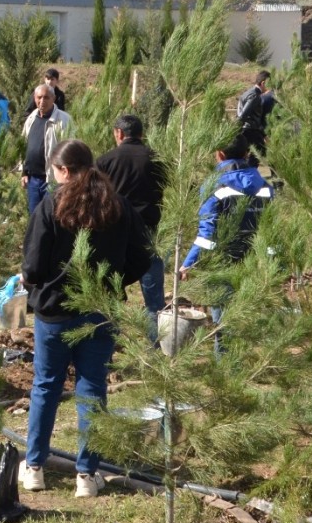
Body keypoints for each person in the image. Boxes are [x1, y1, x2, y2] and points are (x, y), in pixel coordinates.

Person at [19, 140, 151, 497]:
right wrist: (113, 281)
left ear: (63, 170)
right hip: (100, 310)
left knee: (46, 386)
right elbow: (143, 256)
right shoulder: (118, 206)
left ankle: (34, 467)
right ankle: (86, 476)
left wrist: (36, 283)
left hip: (55, 313)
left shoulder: (51, 205)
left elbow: (32, 266)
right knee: (92, 389)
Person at [178, 135, 275, 343]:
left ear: (219, 154)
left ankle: (227, 367)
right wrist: (274, 259)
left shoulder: (215, 185)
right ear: (247, 154)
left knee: (223, 318)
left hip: (223, 260)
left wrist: (188, 263)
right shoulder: (265, 186)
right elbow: (271, 229)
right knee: (246, 314)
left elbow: (207, 233)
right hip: (254, 259)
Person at [95, 115, 167, 341]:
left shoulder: (106, 161)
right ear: (141, 133)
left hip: (115, 232)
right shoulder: (156, 159)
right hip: (148, 231)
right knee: (154, 296)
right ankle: (154, 344)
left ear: (118, 133)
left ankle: (109, 338)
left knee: (111, 289)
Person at [21, 84, 72, 215]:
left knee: (52, 215)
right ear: (34, 98)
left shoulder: (63, 120)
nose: (42, 101)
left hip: (52, 180)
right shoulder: (31, 118)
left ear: (54, 98)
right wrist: (24, 172)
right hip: (33, 179)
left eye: (46, 97)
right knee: (35, 217)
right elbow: (24, 145)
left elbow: (70, 150)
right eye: (39, 97)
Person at [236, 70, 271, 157]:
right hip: (251, 131)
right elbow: (244, 114)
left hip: (247, 130)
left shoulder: (248, 92)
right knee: (259, 154)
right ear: (263, 83)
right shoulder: (255, 95)